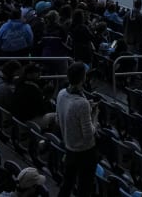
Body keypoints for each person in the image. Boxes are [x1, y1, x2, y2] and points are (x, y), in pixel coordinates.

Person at [55, 62, 99, 197]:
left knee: (67, 183)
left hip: (69, 147)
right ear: (83, 77)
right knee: (84, 188)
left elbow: (58, 119)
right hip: (85, 152)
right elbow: (89, 134)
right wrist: (94, 116)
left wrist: (86, 108)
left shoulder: (61, 94)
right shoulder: (81, 103)